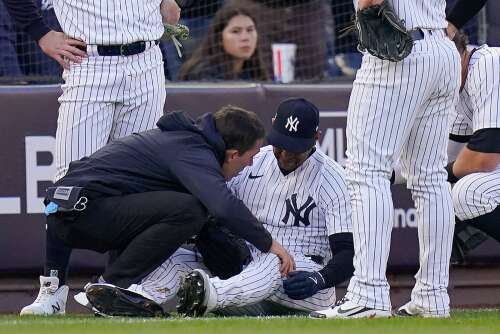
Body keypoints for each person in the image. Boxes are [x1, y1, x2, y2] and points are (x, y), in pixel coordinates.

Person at [80, 98, 354, 318]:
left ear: (316, 137)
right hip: (243, 272)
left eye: (294, 149)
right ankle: (134, 300)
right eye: (280, 146)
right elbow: (217, 209)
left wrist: (319, 279)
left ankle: (208, 295)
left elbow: (348, 254)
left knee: (275, 262)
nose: (284, 155)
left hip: (301, 283)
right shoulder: (254, 162)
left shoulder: (332, 179)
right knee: (182, 257)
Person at [29, 105, 296, 317]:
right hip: (83, 213)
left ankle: (59, 293)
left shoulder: (184, 141)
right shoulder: (192, 151)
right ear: (233, 154)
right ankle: (112, 286)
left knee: (177, 206)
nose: (250, 164)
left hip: (67, 213)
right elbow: (223, 205)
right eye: (250, 156)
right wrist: (269, 243)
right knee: (191, 209)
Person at [19, 0, 183, 316]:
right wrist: (40, 32)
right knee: (68, 184)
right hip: (87, 61)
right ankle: (52, 291)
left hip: (146, 62)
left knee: (137, 184)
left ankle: (117, 290)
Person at [312, 0, 461, 319]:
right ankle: (433, 296)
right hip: (442, 48)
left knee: (367, 172)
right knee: (430, 179)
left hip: (399, 49)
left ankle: (368, 293)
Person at [444, 32, 500, 261]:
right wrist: (386, 173)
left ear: (458, 53)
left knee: (469, 193)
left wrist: (440, 174)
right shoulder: (456, 90)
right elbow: (443, 159)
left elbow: (483, 159)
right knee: (442, 193)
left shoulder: (488, 64)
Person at [176, 0, 268, 81]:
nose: (245, 37)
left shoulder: (254, 71)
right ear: (219, 38)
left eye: (250, 30)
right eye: (236, 31)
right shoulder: (203, 74)